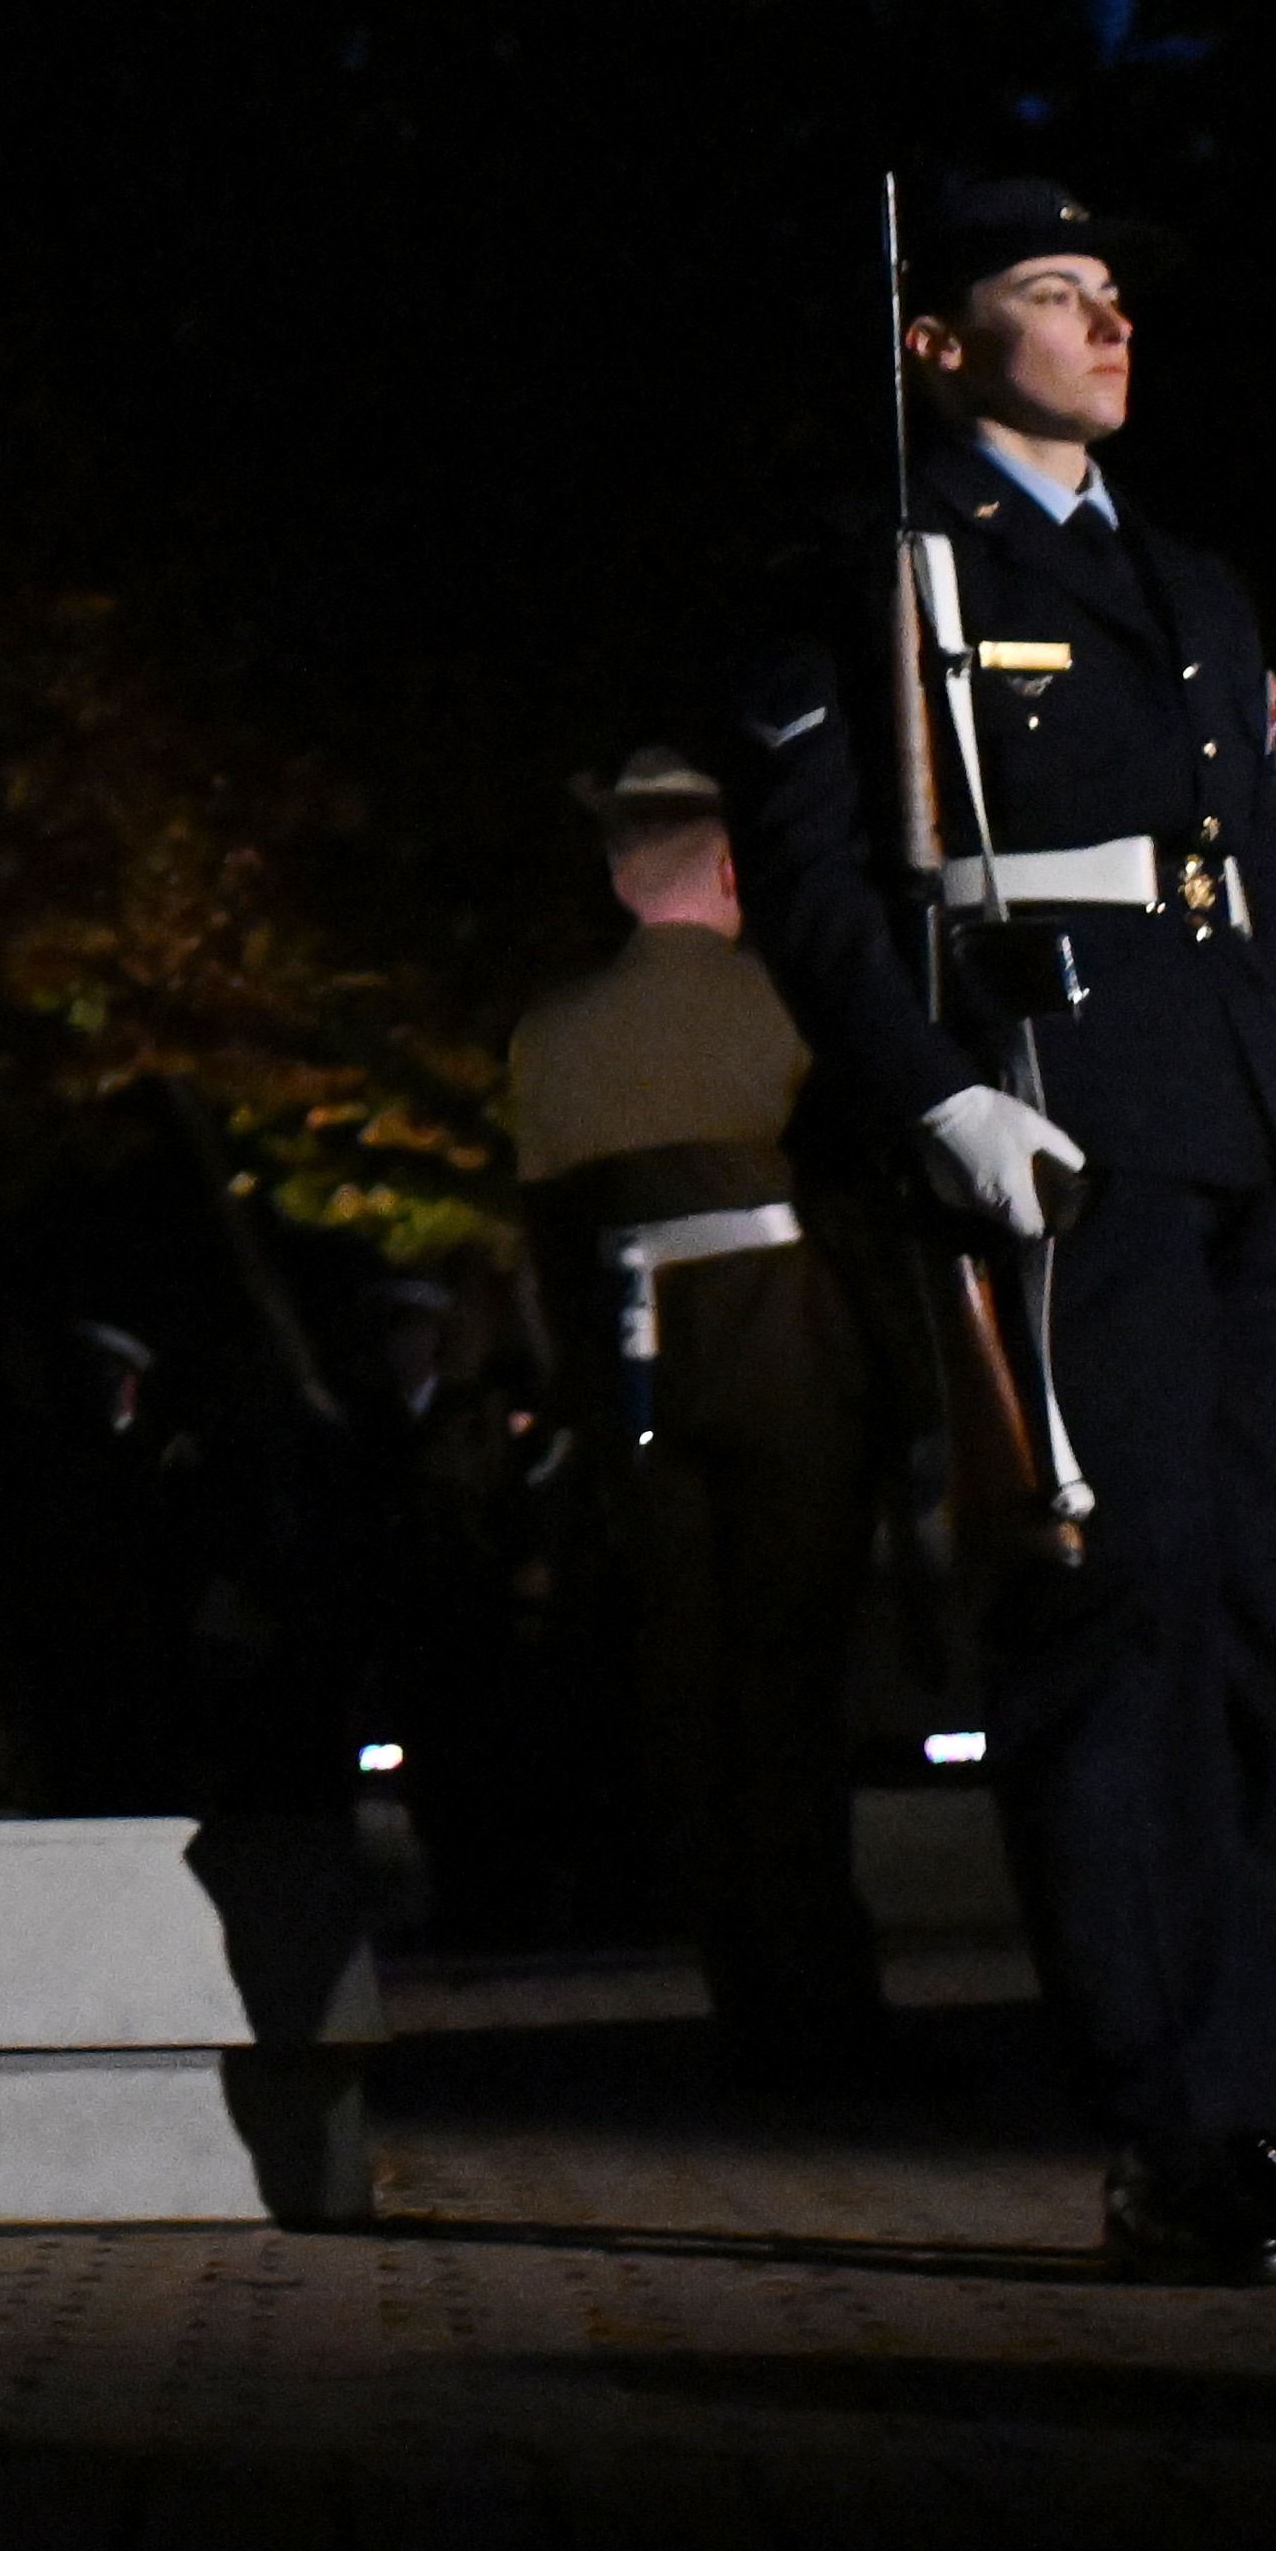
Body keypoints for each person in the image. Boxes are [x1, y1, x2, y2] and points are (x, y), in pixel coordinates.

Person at [719, 178, 1276, 2286]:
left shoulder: (1192, 582)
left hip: (1241, 1147)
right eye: (1048, 294)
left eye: (1112, 292)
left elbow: (1255, 887)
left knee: (1250, 1635)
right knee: (1120, 1622)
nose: (1101, 321)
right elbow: (817, 882)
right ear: (939, 343)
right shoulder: (869, 569)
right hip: (1063, 1134)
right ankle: (1176, 2131)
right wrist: (930, 1095)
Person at [506, 746, 887, 2068]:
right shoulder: (797, 1003)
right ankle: (825, 1991)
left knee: (688, 1687)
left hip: (638, 1376)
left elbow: (545, 1245)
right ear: (734, 870)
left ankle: (748, 1989)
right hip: (791, 1361)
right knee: (790, 1687)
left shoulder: (548, 1035)